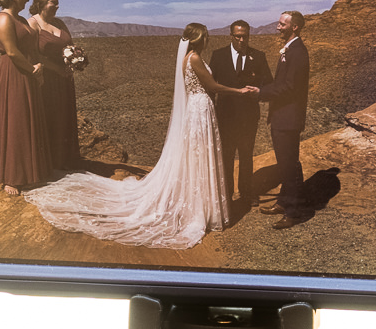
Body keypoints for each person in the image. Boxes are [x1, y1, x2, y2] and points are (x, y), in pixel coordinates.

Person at [25, 23, 251, 248]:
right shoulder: (193, 58)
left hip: (198, 108)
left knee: (196, 156)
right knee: (199, 155)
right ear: (198, 39)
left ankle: (199, 203)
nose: (207, 40)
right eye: (205, 37)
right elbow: (211, 85)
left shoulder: (188, 57)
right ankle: (201, 207)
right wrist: (239, 91)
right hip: (200, 107)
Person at [0, 0, 49, 195]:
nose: (28, 0)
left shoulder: (20, 18)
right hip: (13, 72)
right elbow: (11, 52)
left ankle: (29, 172)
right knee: (15, 119)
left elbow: (30, 46)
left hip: (27, 70)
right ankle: (11, 177)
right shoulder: (3, 19)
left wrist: (37, 64)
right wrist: (33, 70)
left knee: (26, 117)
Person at [253, 11, 313, 229]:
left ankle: (293, 211)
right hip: (282, 117)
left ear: (294, 27)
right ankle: (283, 202)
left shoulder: (297, 52)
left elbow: (289, 86)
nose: (277, 27)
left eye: (281, 24)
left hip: (288, 118)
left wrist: (261, 92)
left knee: (289, 165)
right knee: (286, 163)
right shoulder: (291, 48)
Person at [206, 20, 269, 206]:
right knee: (226, 156)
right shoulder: (218, 56)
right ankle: (226, 194)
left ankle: (247, 193)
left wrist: (257, 90)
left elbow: (268, 83)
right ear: (231, 36)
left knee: (246, 155)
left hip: (248, 117)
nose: (242, 40)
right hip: (225, 117)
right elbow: (211, 85)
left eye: (245, 36)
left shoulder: (258, 56)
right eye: (238, 36)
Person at [27, 0, 82, 173]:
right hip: (47, 80)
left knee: (65, 115)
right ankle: (50, 163)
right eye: (53, 2)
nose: (57, 6)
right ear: (41, 3)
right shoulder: (33, 24)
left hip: (65, 79)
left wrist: (75, 59)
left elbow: (71, 46)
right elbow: (33, 54)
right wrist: (56, 68)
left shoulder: (60, 23)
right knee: (51, 117)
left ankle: (65, 160)